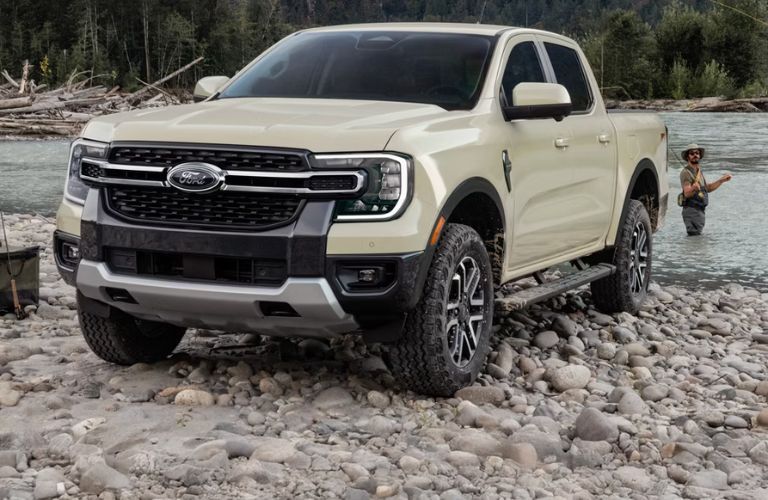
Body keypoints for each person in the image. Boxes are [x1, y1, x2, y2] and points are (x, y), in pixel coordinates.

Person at [679, 143, 732, 236]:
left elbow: (707, 188)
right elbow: (687, 193)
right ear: (687, 157)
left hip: (700, 211)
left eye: (697, 153)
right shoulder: (685, 173)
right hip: (692, 211)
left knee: (696, 240)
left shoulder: (699, 171)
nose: (695, 155)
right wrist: (693, 188)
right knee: (694, 239)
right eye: (692, 153)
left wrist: (721, 180)